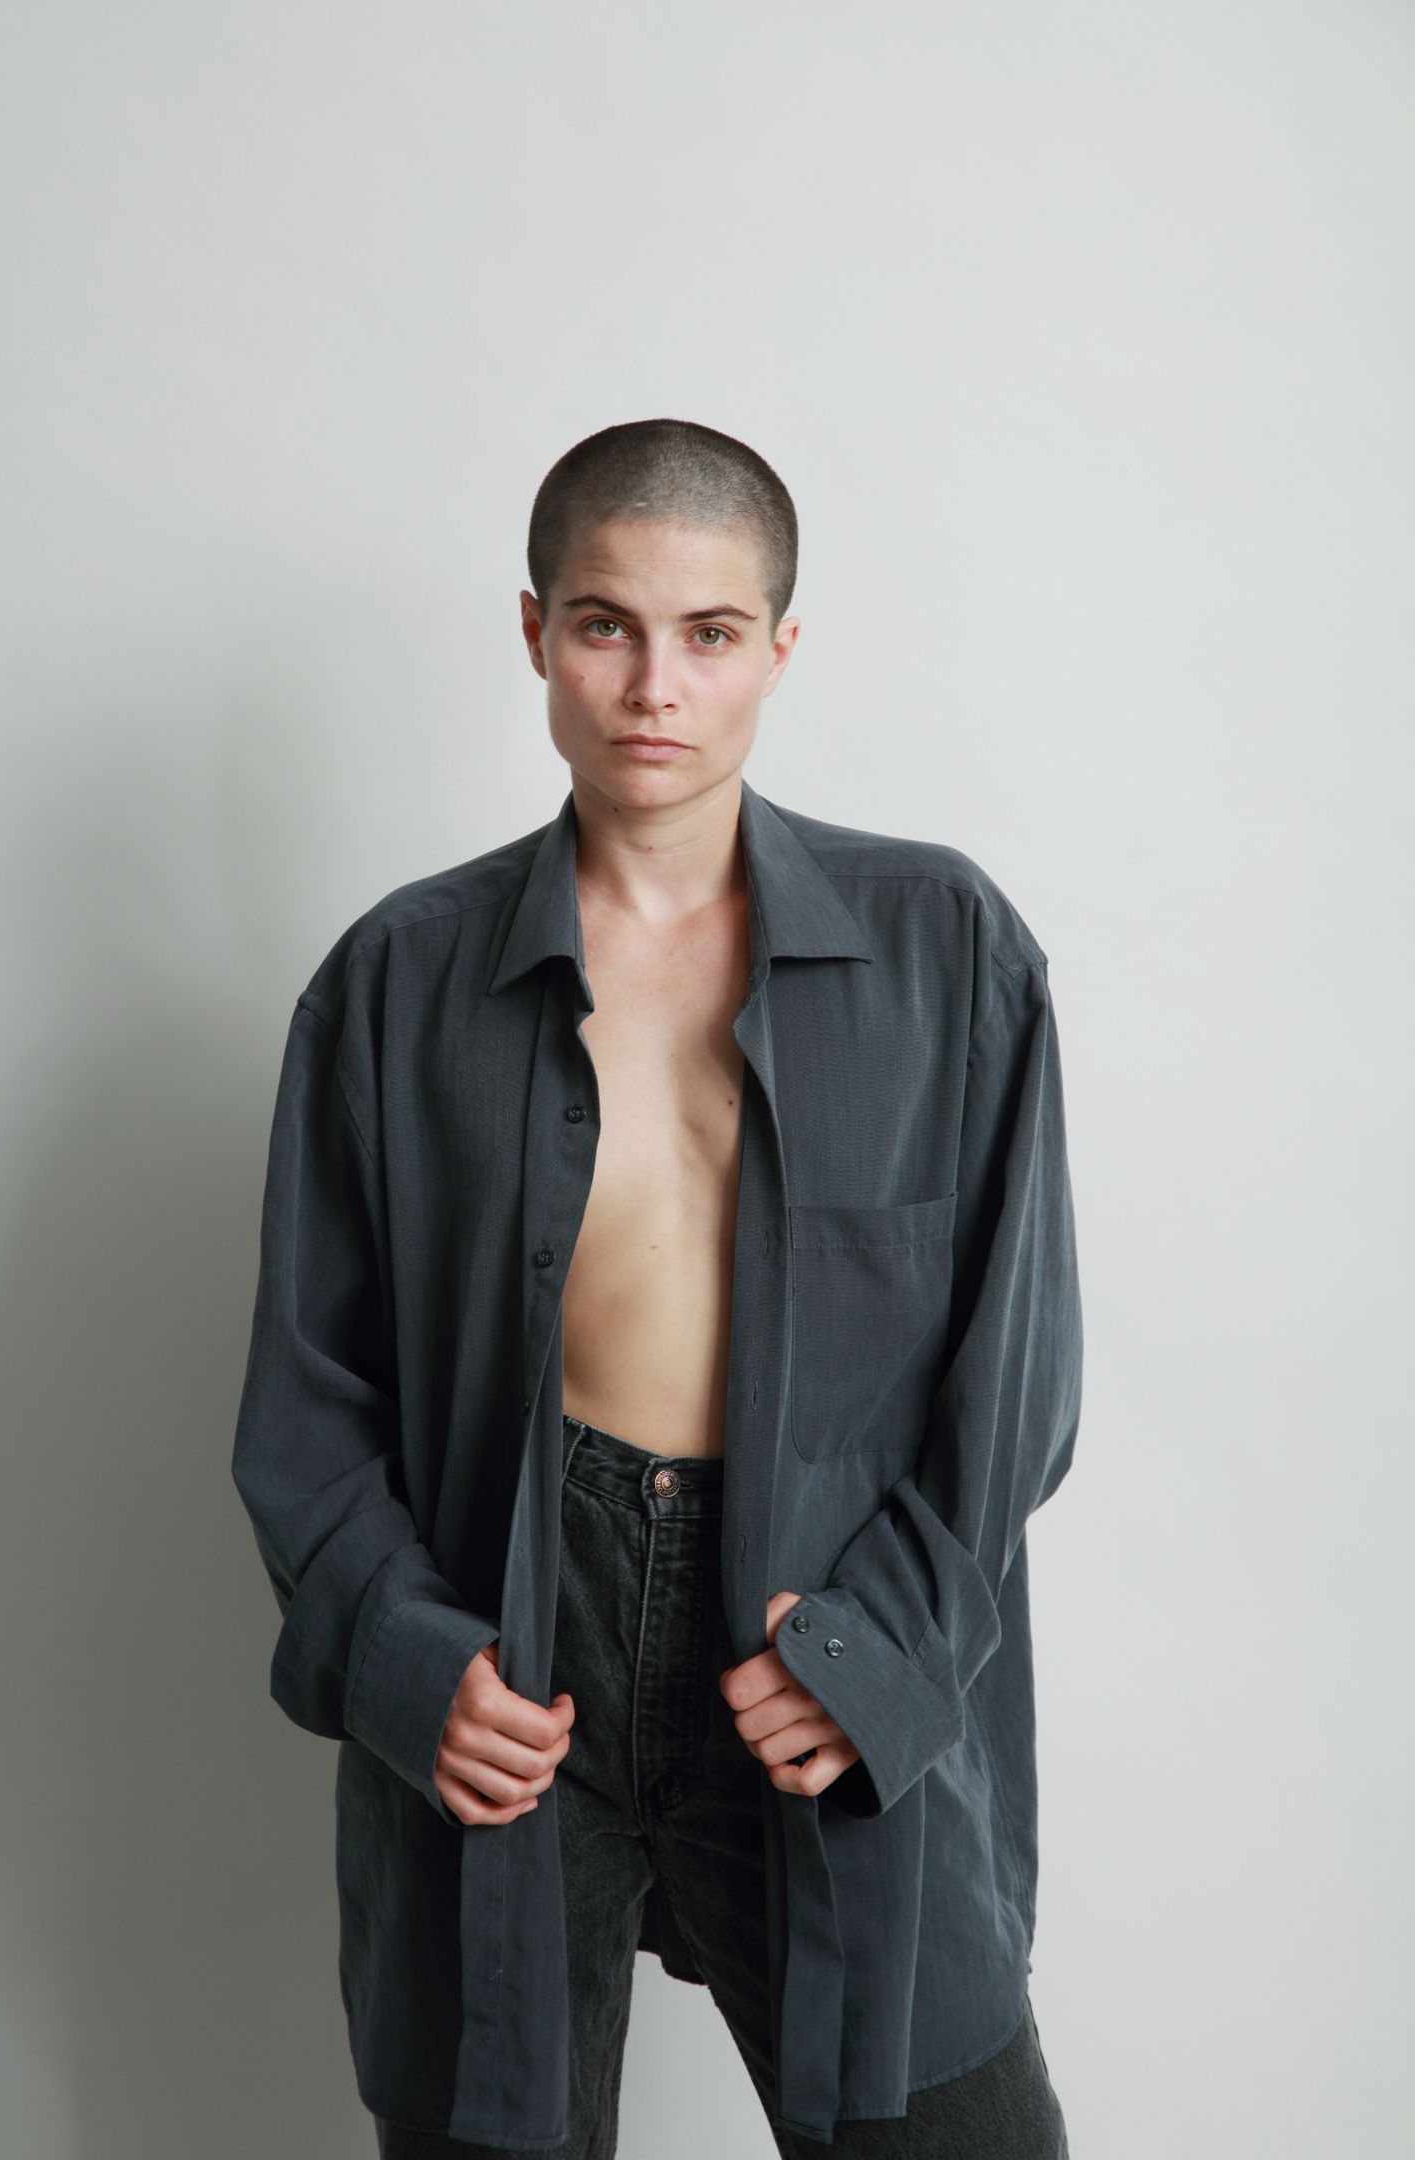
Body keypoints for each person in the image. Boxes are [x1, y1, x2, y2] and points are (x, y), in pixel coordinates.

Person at [231, 418, 1082, 2157]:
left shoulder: (947, 953)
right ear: (535, 630)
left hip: (818, 1637)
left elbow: (1016, 1381)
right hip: (516, 1644)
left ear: (781, 647)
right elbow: (306, 1406)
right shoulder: (396, 983)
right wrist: (406, 1659)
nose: (654, 686)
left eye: (709, 633)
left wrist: (885, 1646)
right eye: (607, 624)